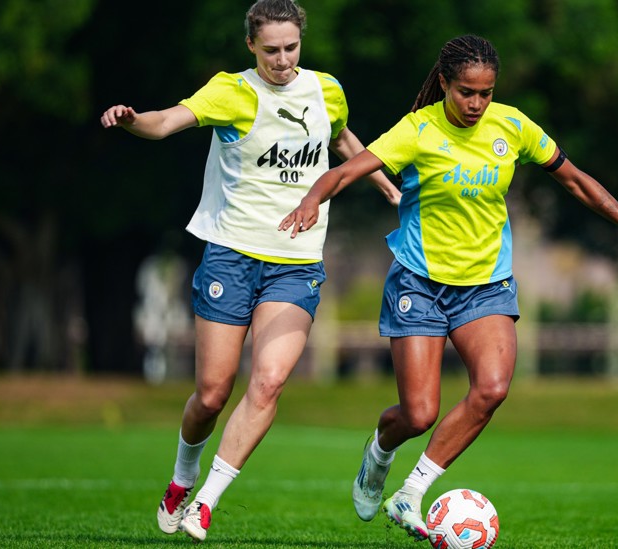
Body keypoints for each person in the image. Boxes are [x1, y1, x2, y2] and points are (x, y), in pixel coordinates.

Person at [280, 34, 618, 541]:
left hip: (486, 285)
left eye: (485, 93)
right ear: (445, 83)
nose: (476, 103)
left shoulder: (512, 126)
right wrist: (313, 197)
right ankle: (380, 450)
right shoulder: (417, 130)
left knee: (491, 389)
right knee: (419, 413)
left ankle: (411, 491)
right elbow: (346, 171)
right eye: (466, 91)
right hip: (419, 282)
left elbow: (575, 180)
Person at [100, 0, 400, 543]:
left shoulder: (326, 89)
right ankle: (181, 479)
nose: (283, 61)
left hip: (297, 263)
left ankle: (207, 503)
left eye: (291, 48)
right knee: (212, 394)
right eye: (271, 51)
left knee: (268, 381)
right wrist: (131, 119)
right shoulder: (231, 91)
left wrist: (387, 186)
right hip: (231, 256)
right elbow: (166, 122)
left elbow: (341, 140)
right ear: (250, 47)